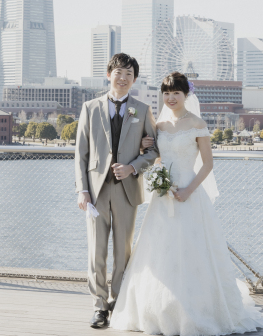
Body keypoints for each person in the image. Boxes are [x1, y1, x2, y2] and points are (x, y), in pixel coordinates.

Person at [110, 72, 263, 336]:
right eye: (167, 94)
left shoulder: (197, 123)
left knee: (192, 252)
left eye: (176, 93)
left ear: (186, 95)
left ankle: (196, 311)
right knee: (160, 252)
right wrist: (144, 148)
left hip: (189, 193)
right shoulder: (158, 125)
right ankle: (159, 311)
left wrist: (188, 191)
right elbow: (155, 159)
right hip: (163, 195)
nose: (171, 98)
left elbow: (207, 164)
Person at [74, 53, 159, 329]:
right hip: (96, 192)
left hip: (127, 191)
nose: (123, 79)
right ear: (109, 74)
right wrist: (82, 190)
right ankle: (100, 306)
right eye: (119, 73)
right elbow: (81, 154)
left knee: (123, 251)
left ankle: (119, 301)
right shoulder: (90, 107)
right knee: (96, 252)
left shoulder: (143, 110)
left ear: (134, 79)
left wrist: (133, 167)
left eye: (129, 75)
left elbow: (155, 150)